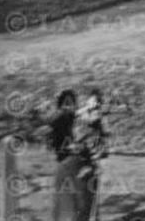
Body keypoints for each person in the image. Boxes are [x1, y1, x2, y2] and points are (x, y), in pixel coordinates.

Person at [48, 89, 95, 221]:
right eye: (66, 103)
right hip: (67, 165)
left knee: (82, 204)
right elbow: (56, 142)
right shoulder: (60, 119)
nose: (69, 106)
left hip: (78, 165)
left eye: (71, 102)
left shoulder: (77, 120)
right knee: (68, 205)